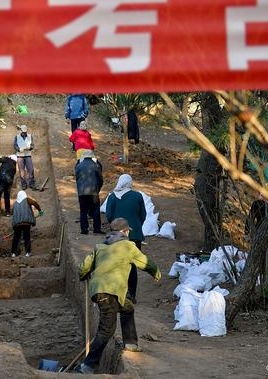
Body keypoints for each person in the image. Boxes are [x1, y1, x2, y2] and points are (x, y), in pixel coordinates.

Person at [75, 218, 161, 374]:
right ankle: (87, 366)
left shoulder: (99, 247)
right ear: (126, 231)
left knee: (127, 308)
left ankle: (131, 343)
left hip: (101, 291)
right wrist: (156, 273)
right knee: (107, 329)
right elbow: (145, 262)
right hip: (110, 291)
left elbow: (83, 268)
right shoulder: (128, 246)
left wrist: (83, 274)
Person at [105, 174, 147, 302]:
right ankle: (132, 295)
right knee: (132, 265)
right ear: (130, 183)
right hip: (135, 236)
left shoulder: (112, 197)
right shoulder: (138, 196)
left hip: (117, 236)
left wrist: (116, 226)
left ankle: (118, 293)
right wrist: (136, 225)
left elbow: (108, 215)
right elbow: (143, 215)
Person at [75, 150, 104, 235]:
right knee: (95, 210)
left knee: (83, 211)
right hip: (94, 191)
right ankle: (96, 229)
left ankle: (84, 229)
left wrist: (80, 188)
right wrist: (98, 189)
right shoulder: (96, 165)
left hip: (82, 192)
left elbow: (77, 178)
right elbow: (100, 179)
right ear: (92, 156)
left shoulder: (79, 165)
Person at [11, 190, 43, 257]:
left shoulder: (15, 204)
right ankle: (27, 253)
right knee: (27, 237)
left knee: (16, 238)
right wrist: (39, 210)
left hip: (17, 224)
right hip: (26, 223)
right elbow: (35, 203)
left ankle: (13, 253)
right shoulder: (27, 200)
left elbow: (13, 213)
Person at [14, 124, 36, 190]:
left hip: (28, 155)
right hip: (20, 156)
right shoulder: (17, 137)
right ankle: (24, 184)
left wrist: (30, 147)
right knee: (21, 171)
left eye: (25, 132)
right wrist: (18, 149)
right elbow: (15, 145)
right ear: (20, 131)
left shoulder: (30, 136)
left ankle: (31, 183)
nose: (24, 133)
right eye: (23, 132)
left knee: (31, 169)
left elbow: (32, 145)